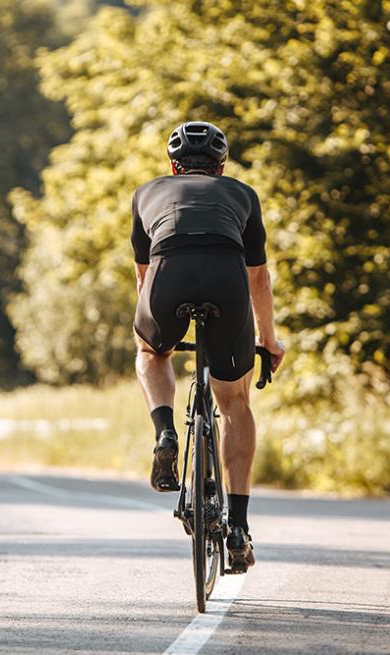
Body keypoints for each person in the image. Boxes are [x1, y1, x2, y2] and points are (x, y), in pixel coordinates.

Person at [131, 121, 285, 571]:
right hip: (226, 280)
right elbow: (258, 277)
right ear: (222, 165)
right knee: (234, 403)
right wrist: (268, 340)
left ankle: (165, 431)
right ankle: (237, 526)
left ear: (171, 165)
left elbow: (143, 277)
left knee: (149, 352)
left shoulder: (146, 193)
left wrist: (157, 331)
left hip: (168, 275)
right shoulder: (242, 194)